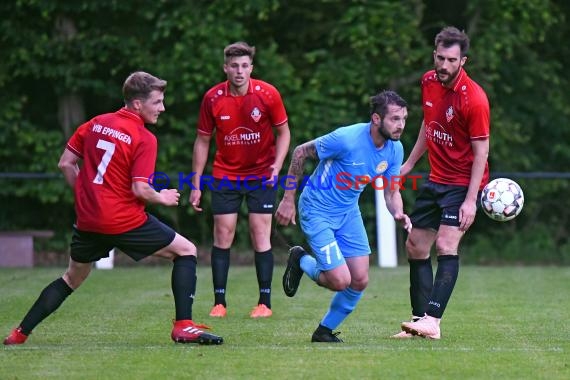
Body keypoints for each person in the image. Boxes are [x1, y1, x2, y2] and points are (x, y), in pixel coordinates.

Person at [3, 72, 223, 346]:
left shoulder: (96, 123)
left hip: (88, 220)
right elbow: (140, 189)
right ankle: (183, 326)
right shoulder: (144, 137)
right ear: (137, 104)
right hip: (123, 219)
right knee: (186, 251)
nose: (162, 108)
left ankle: (19, 334)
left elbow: (65, 163)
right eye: (157, 102)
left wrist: (86, 196)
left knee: (72, 277)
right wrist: (163, 197)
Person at [275, 90, 412, 342]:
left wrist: (399, 213)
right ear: (376, 119)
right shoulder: (346, 139)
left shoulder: (395, 149)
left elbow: (392, 192)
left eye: (403, 119)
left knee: (359, 280)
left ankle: (324, 331)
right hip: (316, 209)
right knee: (340, 280)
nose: (401, 125)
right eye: (394, 119)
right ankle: (301, 259)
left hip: (348, 212)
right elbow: (300, 153)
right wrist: (287, 199)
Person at [392, 26, 490, 340]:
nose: (443, 65)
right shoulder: (428, 81)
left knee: (446, 245)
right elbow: (429, 122)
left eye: (451, 60)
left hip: (462, 184)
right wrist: (408, 164)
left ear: (463, 61)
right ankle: (418, 320)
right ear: (434, 55)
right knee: (415, 246)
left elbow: (481, 152)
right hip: (437, 179)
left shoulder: (473, 99)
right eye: (440, 57)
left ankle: (432, 322)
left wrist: (470, 200)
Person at [190, 42, 291, 318]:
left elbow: (284, 133)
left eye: (244, 65)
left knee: (261, 236)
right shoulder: (212, 98)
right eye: (234, 65)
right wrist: (196, 183)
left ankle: (264, 303)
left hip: (261, 175)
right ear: (225, 67)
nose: (239, 71)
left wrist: (277, 166)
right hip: (225, 174)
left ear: (251, 68)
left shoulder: (268, 94)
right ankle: (219, 302)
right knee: (223, 234)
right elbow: (202, 140)